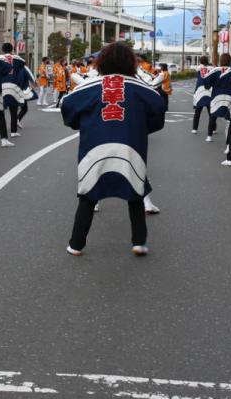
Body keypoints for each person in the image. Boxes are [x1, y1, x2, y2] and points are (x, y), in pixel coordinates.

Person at [60, 42, 165, 256]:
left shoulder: (89, 87)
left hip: (93, 148)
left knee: (88, 196)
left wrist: (84, 124)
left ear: (101, 63)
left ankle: (77, 244)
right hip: (132, 147)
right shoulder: (142, 89)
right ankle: (139, 242)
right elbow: (158, 112)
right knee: (135, 194)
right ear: (131, 63)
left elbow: (68, 107)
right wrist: (139, 128)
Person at [203, 53, 231, 142]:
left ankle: (209, 136)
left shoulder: (215, 70)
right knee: (230, 119)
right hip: (230, 96)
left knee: (213, 116)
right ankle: (228, 142)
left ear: (221, 60)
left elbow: (206, 83)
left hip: (216, 96)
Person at [191, 55, 213, 134]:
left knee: (197, 112)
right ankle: (213, 128)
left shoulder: (199, 68)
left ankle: (194, 128)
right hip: (209, 91)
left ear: (200, 61)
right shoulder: (211, 68)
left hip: (199, 91)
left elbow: (198, 69)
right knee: (211, 112)